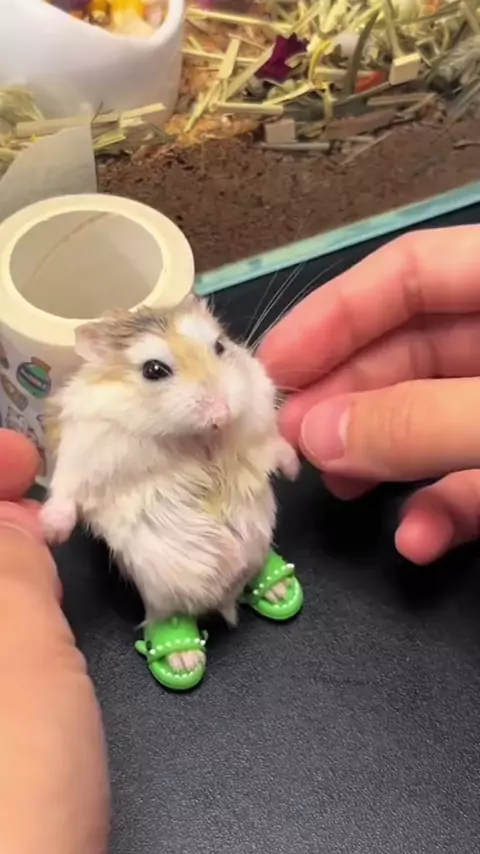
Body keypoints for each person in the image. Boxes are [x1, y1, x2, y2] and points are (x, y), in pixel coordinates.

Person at [2, 224, 480, 849]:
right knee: (162, 563)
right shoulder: (93, 416)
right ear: (102, 372)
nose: (216, 399)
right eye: (158, 370)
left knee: (254, 522)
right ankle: (168, 618)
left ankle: (254, 569)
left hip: (237, 497)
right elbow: (77, 470)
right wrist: (63, 502)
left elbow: (255, 412)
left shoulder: (237, 378)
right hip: (157, 516)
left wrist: (275, 443)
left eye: (219, 350)